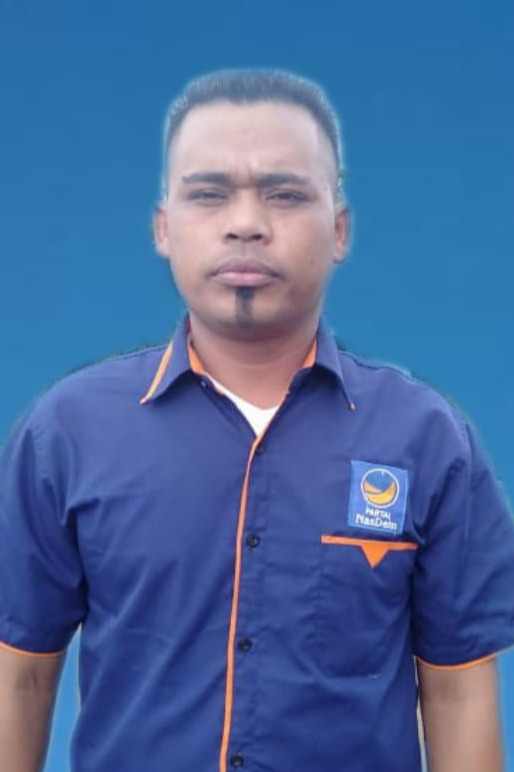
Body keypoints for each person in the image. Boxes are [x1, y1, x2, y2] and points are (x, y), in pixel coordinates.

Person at [0, 69, 513, 772]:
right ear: (163, 227)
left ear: (339, 231)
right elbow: (21, 675)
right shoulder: (65, 434)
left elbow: (457, 692)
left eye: (285, 194)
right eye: (209, 193)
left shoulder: (427, 440)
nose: (245, 222)